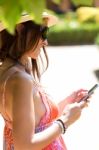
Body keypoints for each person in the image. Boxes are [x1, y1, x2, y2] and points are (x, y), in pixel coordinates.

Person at [0, 12, 89, 150]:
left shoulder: (9, 70)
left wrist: (68, 103)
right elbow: (24, 145)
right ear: (20, 29)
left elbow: (37, 125)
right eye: (43, 32)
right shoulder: (19, 79)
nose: (45, 42)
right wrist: (65, 121)